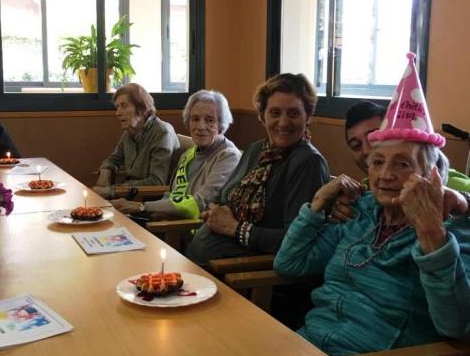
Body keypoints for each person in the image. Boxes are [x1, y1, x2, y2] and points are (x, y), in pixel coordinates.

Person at [274, 54, 470, 356]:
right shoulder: (361, 212)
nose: (384, 175)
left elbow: (455, 324)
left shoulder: (454, 228)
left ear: (432, 175)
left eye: (402, 163)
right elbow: (289, 263)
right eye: (377, 162)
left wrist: (431, 232)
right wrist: (316, 205)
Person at [186, 73, 330, 266]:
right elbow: (221, 198)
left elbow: (296, 240)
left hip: (240, 275)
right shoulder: (256, 149)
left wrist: (236, 228)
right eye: (275, 113)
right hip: (199, 260)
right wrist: (214, 213)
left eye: (294, 113)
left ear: (308, 116)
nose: (284, 122)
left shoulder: (308, 162)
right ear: (262, 116)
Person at [330, 99, 470, 221]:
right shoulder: (368, 188)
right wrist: (335, 207)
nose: (366, 150)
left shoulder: (447, 180)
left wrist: (462, 200)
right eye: (356, 145)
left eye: (374, 137)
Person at [113, 90, 241, 219]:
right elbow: (172, 195)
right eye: (195, 119)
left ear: (221, 124)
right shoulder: (188, 154)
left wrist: (142, 207)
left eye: (210, 120)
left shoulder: (228, 157)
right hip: (164, 220)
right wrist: (147, 213)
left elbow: (200, 203)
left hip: (188, 227)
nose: (201, 126)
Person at [93, 83, 180, 197]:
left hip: (151, 200)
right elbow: (114, 159)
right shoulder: (130, 131)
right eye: (117, 107)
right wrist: (106, 169)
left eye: (124, 106)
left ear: (142, 108)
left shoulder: (162, 133)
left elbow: (157, 182)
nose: (118, 113)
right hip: (130, 194)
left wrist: (114, 190)